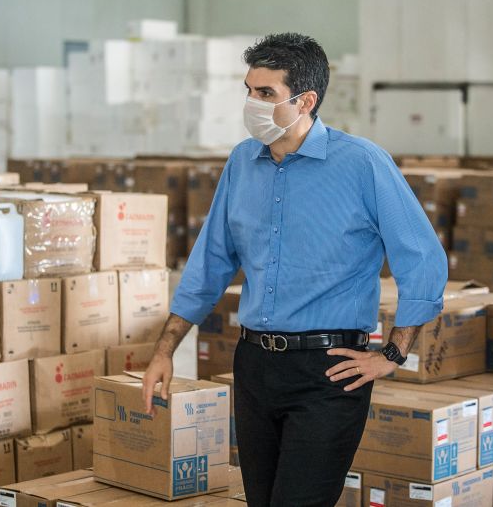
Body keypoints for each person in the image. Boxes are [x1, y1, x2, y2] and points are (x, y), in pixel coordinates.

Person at [142, 32, 447, 507]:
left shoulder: (362, 164)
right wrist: (165, 350)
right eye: (248, 90)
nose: (252, 103)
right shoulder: (243, 162)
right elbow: (210, 261)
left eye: (266, 94)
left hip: (328, 372)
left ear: (306, 101)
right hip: (255, 367)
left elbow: (422, 258)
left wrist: (393, 352)